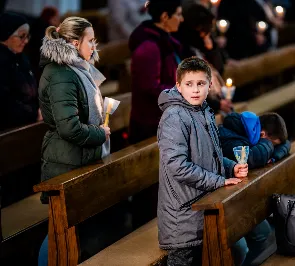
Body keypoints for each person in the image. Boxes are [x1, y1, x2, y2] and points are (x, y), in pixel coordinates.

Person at [157, 57, 248, 266]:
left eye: (201, 84)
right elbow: (178, 167)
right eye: (189, 84)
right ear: (178, 86)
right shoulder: (174, 117)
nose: (195, 90)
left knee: (235, 250)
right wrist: (219, 181)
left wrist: (231, 167)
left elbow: (212, 155)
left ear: (210, 85)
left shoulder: (203, 111)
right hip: (183, 217)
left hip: (201, 208)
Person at [37, 16, 110, 266]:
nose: (94, 46)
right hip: (65, 159)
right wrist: (101, 133)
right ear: (73, 42)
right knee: (60, 230)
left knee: (75, 227)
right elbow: (69, 127)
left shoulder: (76, 69)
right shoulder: (61, 74)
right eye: (90, 41)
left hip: (78, 158)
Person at [219, 111, 290, 265]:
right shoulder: (229, 137)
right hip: (220, 199)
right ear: (263, 134)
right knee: (240, 249)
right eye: (271, 144)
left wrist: (273, 155)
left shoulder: (251, 132)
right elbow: (250, 159)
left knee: (264, 233)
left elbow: (286, 144)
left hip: (237, 197)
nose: (272, 147)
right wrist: (269, 146)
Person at [128, 0, 184, 144]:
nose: (181, 19)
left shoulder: (166, 40)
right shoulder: (149, 47)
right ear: (165, 17)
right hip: (151, 124)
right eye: (178, 14)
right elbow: (150, 88)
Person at [0, 12, 39, 132]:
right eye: (21, 36)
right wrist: (34, 114)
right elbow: (5, 104)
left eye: (27, 36)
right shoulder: (2, 62)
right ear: (6, 34)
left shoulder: (22, 58)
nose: (26, 41)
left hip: (27, 124)